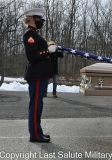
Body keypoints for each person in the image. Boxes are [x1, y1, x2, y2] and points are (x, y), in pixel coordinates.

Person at [22, 8, 57, 142]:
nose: (42, 22)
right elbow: (31, 56)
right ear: (32, 19)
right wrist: (47, 51)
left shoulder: (35, 34)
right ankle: (35, 135)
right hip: (36, 75)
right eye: (40, 20)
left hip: (40, 75)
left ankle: (38, 131)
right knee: (35, 105)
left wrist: (49, 49)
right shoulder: (29, 34)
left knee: (38, 105)